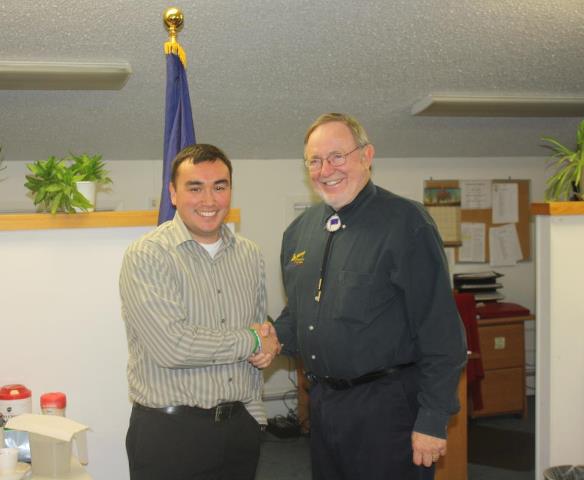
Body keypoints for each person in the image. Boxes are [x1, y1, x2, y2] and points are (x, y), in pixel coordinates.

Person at [271, 113, 467, 480]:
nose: (325, 169)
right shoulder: (298, 233)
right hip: (324, 405)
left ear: (367, 155)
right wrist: (270, 338)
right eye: (314, 160)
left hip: (387, 406)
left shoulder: (406, 223)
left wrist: (433, 418)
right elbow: (299, 316)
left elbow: (441, 332)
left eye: (337, 156)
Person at [120, 144, 279, 480]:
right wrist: (252, 341)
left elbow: (258, 327)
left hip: (240, 429)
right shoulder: (148, 256)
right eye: (195, 187)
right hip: (170, 434)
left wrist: (267, 344)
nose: (209, 200)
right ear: (173, 193)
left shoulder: (250, 254)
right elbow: (172, 347)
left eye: (219, 187)